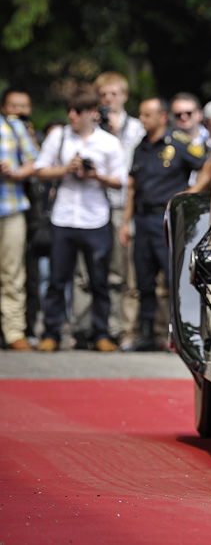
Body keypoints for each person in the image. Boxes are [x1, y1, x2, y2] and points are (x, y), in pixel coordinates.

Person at [32, 86, 127, 353]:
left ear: (92, 113)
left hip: (95, 218)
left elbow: (120, 181)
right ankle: (51, 333)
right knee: (57, 279)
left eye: (78, 111)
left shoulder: (108, 142)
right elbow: (40, 170)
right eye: (70, 110)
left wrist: (96, 175)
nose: (72, 115)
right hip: (63, 217)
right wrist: (66, 169)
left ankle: (100, 333)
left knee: (99, 280)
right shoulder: (59, 137)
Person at [119, 98, 207, 352]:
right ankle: (146, 334)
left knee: (173, 279)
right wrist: (126, 222)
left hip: (167, 218)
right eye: (141, 114)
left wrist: (190, 194)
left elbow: (206, 168)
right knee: (143, 280)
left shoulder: (179, 143)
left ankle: (179, 336)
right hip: (142, 219)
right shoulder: (140, 147)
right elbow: (132, 188)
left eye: (147, 115)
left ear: (161, 117)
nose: (142, 119)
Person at [92, 71, 145, 347]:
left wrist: (115, 134)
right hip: (97, 206)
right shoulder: (91, 128)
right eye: (103, 95)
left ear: (123, 96)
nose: (108, 100)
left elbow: (131, 165)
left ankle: (128, 329)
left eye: (113, 94)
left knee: (128, 272)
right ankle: (106, 329)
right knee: (105, 271)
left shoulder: (136, 128)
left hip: (125, 205)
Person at [0, 88, 40, 350]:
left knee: (12, 273)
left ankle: (14, 331)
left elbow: (36, 161)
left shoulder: (14, 127)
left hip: (11, 208)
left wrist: (14, 172)